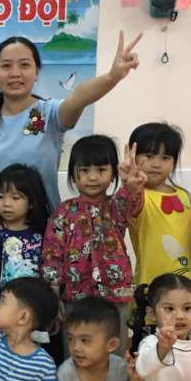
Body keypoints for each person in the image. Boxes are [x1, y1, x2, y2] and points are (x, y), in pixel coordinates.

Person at [0, 32, 142, 280]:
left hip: (48, 233)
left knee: (46, 301)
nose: (15, 73)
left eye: (24, 65)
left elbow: (79, 96)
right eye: (6, 66)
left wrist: (112, 76)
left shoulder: (49, 113)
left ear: (36, 72)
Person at [41, 136, 147, 356]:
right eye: (84, 170)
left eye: (101, 170)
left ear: (113, 174)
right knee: (75, 352)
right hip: (75, 296)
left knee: (114, 353)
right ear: (73, 173)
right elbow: (52, 255)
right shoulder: (64, 211)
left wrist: (131, 186)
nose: (92, 177)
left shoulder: (115, 206)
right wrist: (53, 295)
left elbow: (130, 203)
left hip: (115, 293)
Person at [0, 164, 51, 322]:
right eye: (1, 197)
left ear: (32, 202)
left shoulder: (42, 233)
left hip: (30, 306)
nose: (6, 203)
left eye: (15, 198)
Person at [127, 123, 191, 291]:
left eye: (165, 157)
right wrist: (129, 184)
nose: (157, 164)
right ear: (133, 158)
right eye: (149, 156)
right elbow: (127, 203)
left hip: (187, 284)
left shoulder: (183, 194)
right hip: (150, 288)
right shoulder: (137, 196)